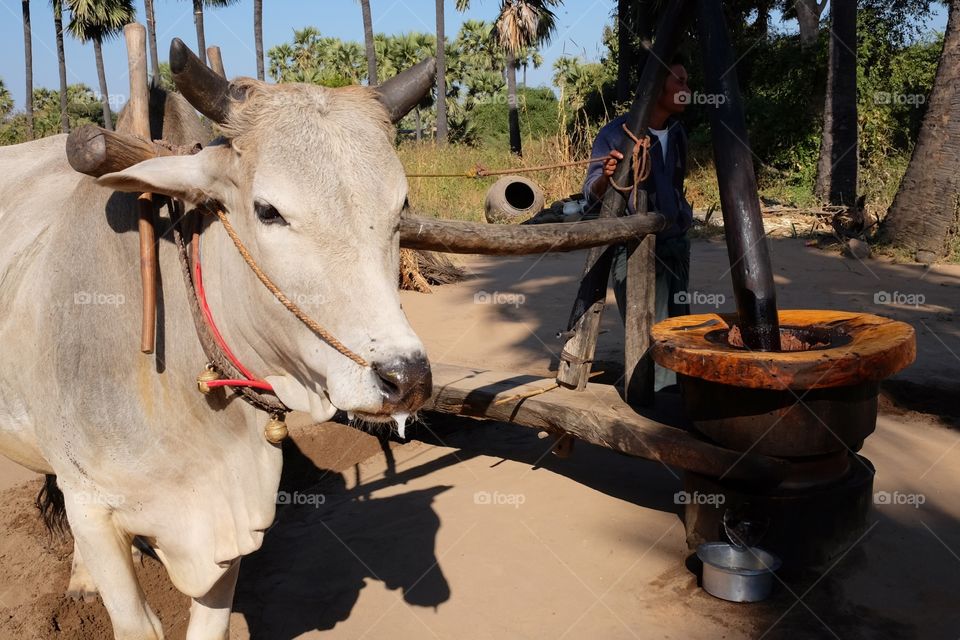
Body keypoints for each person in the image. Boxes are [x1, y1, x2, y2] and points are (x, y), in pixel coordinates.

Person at [582, 59, 694, 391]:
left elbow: (676, 185)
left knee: (678, 326)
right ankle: (654, 403)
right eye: (681, 82)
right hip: (631, 249)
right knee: (648, 329)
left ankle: (674, 393)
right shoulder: (617, 134)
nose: (687, 91)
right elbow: (591, 194)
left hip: (675, 244)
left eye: (688, 83)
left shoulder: (676, 133)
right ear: (656, 86)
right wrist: (608, 176)